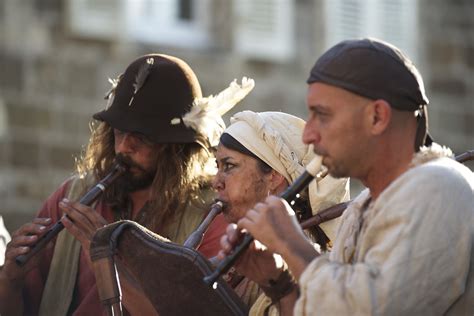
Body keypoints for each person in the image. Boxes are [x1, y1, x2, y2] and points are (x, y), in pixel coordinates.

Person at [220, 38, 474, 315]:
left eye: (323, 115)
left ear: (377, 117)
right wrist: (279, 281)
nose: (308, 134)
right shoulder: (363, 207)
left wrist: (292, 244)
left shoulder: (437, 187)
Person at [0, 54, 254, 315]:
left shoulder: (211, 218)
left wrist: (105, 256)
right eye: (118, 132)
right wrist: (11, 279)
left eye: (140, 138)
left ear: (177, 149)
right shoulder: (72, 195)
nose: (122, 147)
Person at [207, 110, 349, 308]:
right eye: (217, 166)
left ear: (273, 176)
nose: (216, 182)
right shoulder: (250, 250)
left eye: (229, 166)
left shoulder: (296, 265)